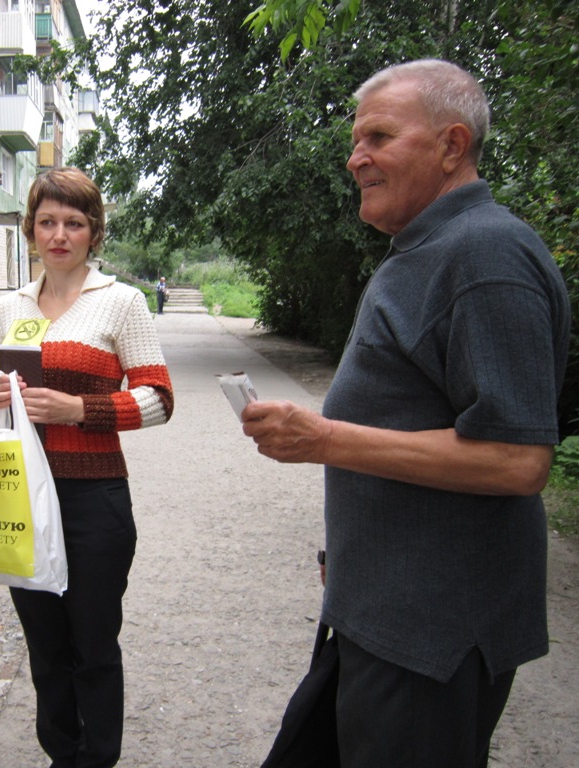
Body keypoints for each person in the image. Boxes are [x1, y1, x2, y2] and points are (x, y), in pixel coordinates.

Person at [243, 60, 570, 767]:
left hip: (432, 637)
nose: (356, 158)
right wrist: (352, 556)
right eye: (355, 141)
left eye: (379, 137)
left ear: (452, 146)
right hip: (381, 609)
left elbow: (517, 460)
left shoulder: (485, 254)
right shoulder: (426, 248)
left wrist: (324, 438)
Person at [0, 167, 173, 767]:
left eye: (73, 222)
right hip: (22, 494)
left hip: (94, 498)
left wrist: (80, 409)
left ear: (93, 231)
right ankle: (61, 754)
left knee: (93, 645)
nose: (59, 234)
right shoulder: (9, 307)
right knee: (44, 647)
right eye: (47, 222)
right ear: (30, 230)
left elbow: (159, 399)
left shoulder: (121, 302)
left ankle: (97, 758)